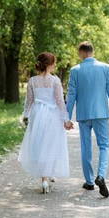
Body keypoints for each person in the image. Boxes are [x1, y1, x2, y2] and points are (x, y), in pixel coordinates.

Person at [66, 41, 109, 198]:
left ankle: (90, 182)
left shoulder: (75, 70)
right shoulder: (105, 68)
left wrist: (67, 117)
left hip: (84, 115)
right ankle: (101, 175)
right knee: (104, 146)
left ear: (82, 52)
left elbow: (71, 95)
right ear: (92, 51)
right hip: (101, 114)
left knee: (86, 147)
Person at [18, 52, 71, 194]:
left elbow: (29, 102)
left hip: (37, 114)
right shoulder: (55, 81)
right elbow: (60, 102)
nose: (55, 65)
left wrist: (26, 116)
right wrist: (66, 119)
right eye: (53, 63)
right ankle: (46, 177)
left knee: (40, 144)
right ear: (48, 64)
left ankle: (45, 179)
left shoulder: (32, 81)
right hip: (52, 115)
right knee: (51, 144)